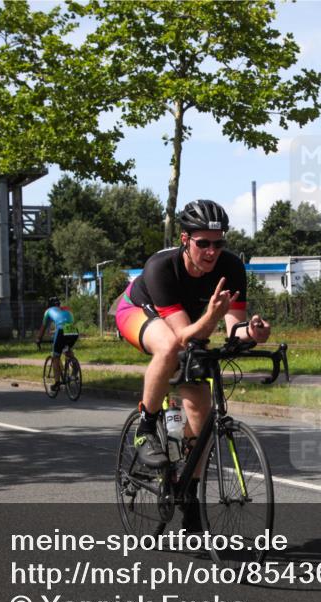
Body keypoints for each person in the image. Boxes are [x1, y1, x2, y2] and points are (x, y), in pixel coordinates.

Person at [115, 199, 271, 530]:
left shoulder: (231, 267)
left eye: (218, 243)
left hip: (188, 325)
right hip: (138, 312)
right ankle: (146, 428)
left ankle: (188, 495)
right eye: (203, 243)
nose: (212, 251)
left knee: (200, 412)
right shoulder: (162, 267)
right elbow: (184, 336)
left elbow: (233, 329)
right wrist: (211, 316)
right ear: (185, 240)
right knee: (169, 347)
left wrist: (253, 334)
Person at [35, 297, 79, 390]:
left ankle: (57, 383)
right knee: (67, 349)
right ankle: (74, 367)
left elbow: (43, 328)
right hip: (73, 331)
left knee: (55, 357)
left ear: (49, 306)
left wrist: (38, 339)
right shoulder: (67, 309)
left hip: (61, 330)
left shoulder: (48, 311)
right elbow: (68, 322)